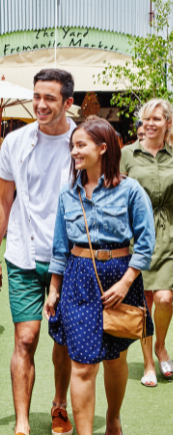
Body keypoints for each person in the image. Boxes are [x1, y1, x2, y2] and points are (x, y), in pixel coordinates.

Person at [45, 118, 155, 435]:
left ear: (102, 148)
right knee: (82, 363)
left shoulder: (130, 190)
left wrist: (125, 282)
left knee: (115, 359)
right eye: (73, 146)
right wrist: (54, 289)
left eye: (81, 145)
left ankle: (113, 418)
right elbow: (59, 248)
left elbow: (145, 244)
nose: (74, 152)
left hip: (121, 278)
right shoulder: (68, 195)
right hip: (78, 278)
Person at [0, 69, 76, 435]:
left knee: (64, 341)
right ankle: (22, 422)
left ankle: (59, 403)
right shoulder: (15, 142)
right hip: (22, 254)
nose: (40, 104)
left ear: (68, 102)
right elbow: (3, 201)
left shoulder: (80, 142)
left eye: (50, 98)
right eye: (36, 96)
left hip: (70, 258)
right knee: (25, 338)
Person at [121, 99, 173, 386]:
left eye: (156, 118)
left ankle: (161, 344)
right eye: (145, 119)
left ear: (167, 122)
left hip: (168, 233)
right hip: (136, 232)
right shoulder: (127, 154)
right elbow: (113, 191)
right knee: (143, 301)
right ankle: (149, 364)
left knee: (165, 298)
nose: (150, 123)